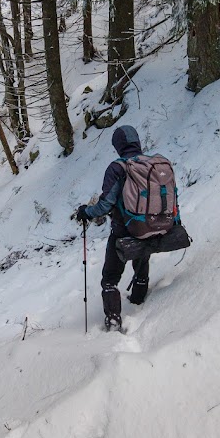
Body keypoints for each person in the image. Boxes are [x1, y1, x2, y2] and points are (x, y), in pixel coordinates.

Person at [76, 124, 152, 332]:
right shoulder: (151, 164)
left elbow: (105, 205)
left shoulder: (118, 168)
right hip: (152, 225)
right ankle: (138, 299)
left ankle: (113, 319)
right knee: (141, 260)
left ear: (118, 145)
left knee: (110, 278)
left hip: (124, 230)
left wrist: (86, 212)